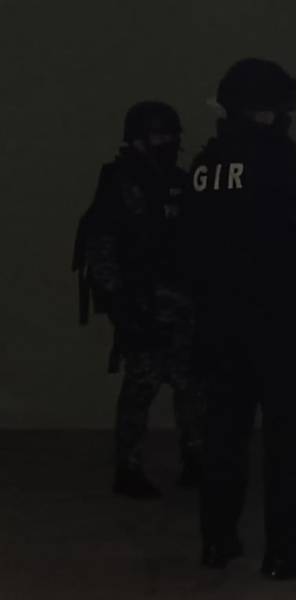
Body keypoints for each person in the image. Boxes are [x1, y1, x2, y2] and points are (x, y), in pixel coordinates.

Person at [177, 59, 296, 580]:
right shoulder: (275, 159)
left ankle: (218, 541)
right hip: (272, 320)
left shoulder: (204, 165)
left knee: (224, 437)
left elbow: (185, 247)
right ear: (267, 111)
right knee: (285, 442)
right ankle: (284, 551)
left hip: (215, 323)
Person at [75, 101, 203, 499]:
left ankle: (195, 458)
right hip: (142, 303)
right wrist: (121, 305)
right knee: (141, 387)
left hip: (182, 304)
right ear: (137, 140)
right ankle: (128, 468)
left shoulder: (178, 182)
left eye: (172, 136)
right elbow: (102, 249)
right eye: (160, 135)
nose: (169, 143)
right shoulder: (120, 185)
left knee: (191, 384)